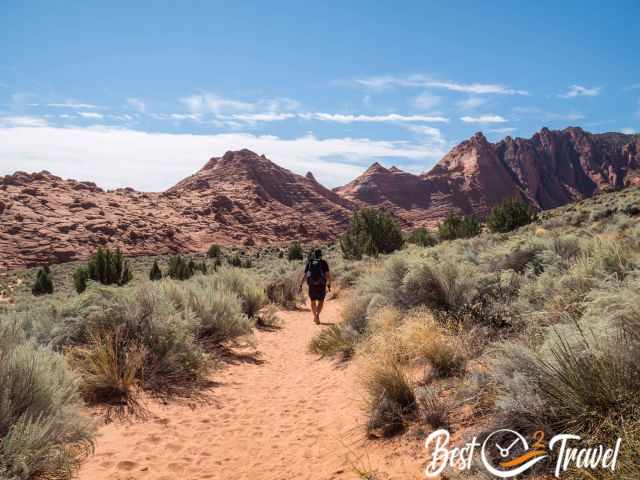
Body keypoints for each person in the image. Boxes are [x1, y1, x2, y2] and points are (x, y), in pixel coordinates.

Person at [299, 248, 331, 324]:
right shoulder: (323, 262)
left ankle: (315, 316)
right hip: (321, 285)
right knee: (321, 301)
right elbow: (328, 275)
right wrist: (329, 284)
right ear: (321, 255)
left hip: (312, 285)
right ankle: (317, 315)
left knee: (313, 301)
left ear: (314, 255)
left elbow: (306, 275)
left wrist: (301, 285)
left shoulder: (310, 263)